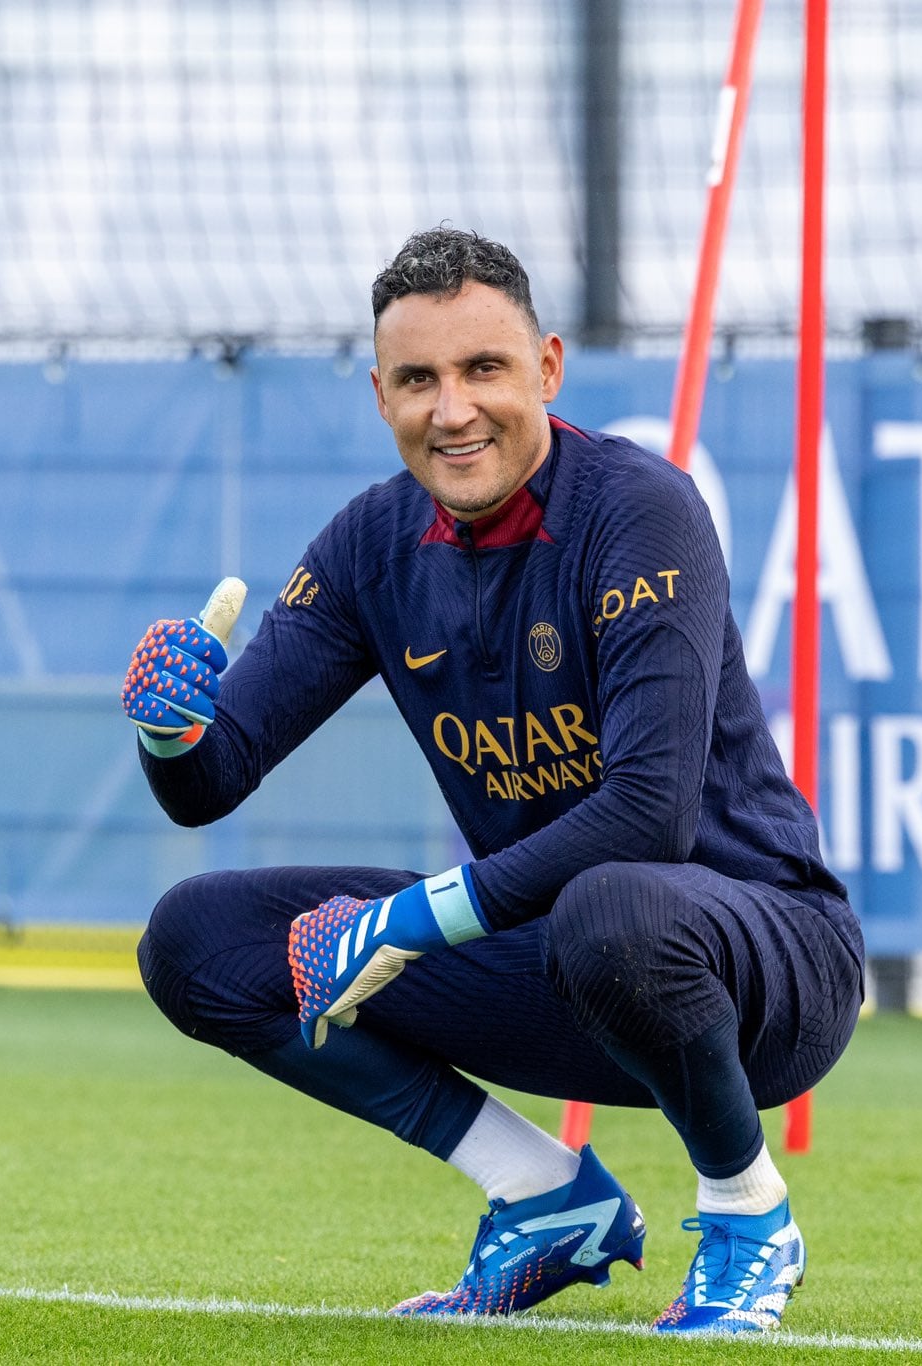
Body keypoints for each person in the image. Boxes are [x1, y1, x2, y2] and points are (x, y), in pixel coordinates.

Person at [121, 227, 863, 1333]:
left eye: (483, 370)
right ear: (380, 395)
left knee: (611, 904)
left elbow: (648, 820)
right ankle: (542, 1195)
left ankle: (748, 1214)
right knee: (195, 941)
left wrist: (406, 920)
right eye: (418, 379)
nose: (452, 408)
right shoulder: (371, 545)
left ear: (547, 370)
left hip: (766, 973)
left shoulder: (637, 510)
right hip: (558, 962)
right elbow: (211, 780)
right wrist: (171, 730)